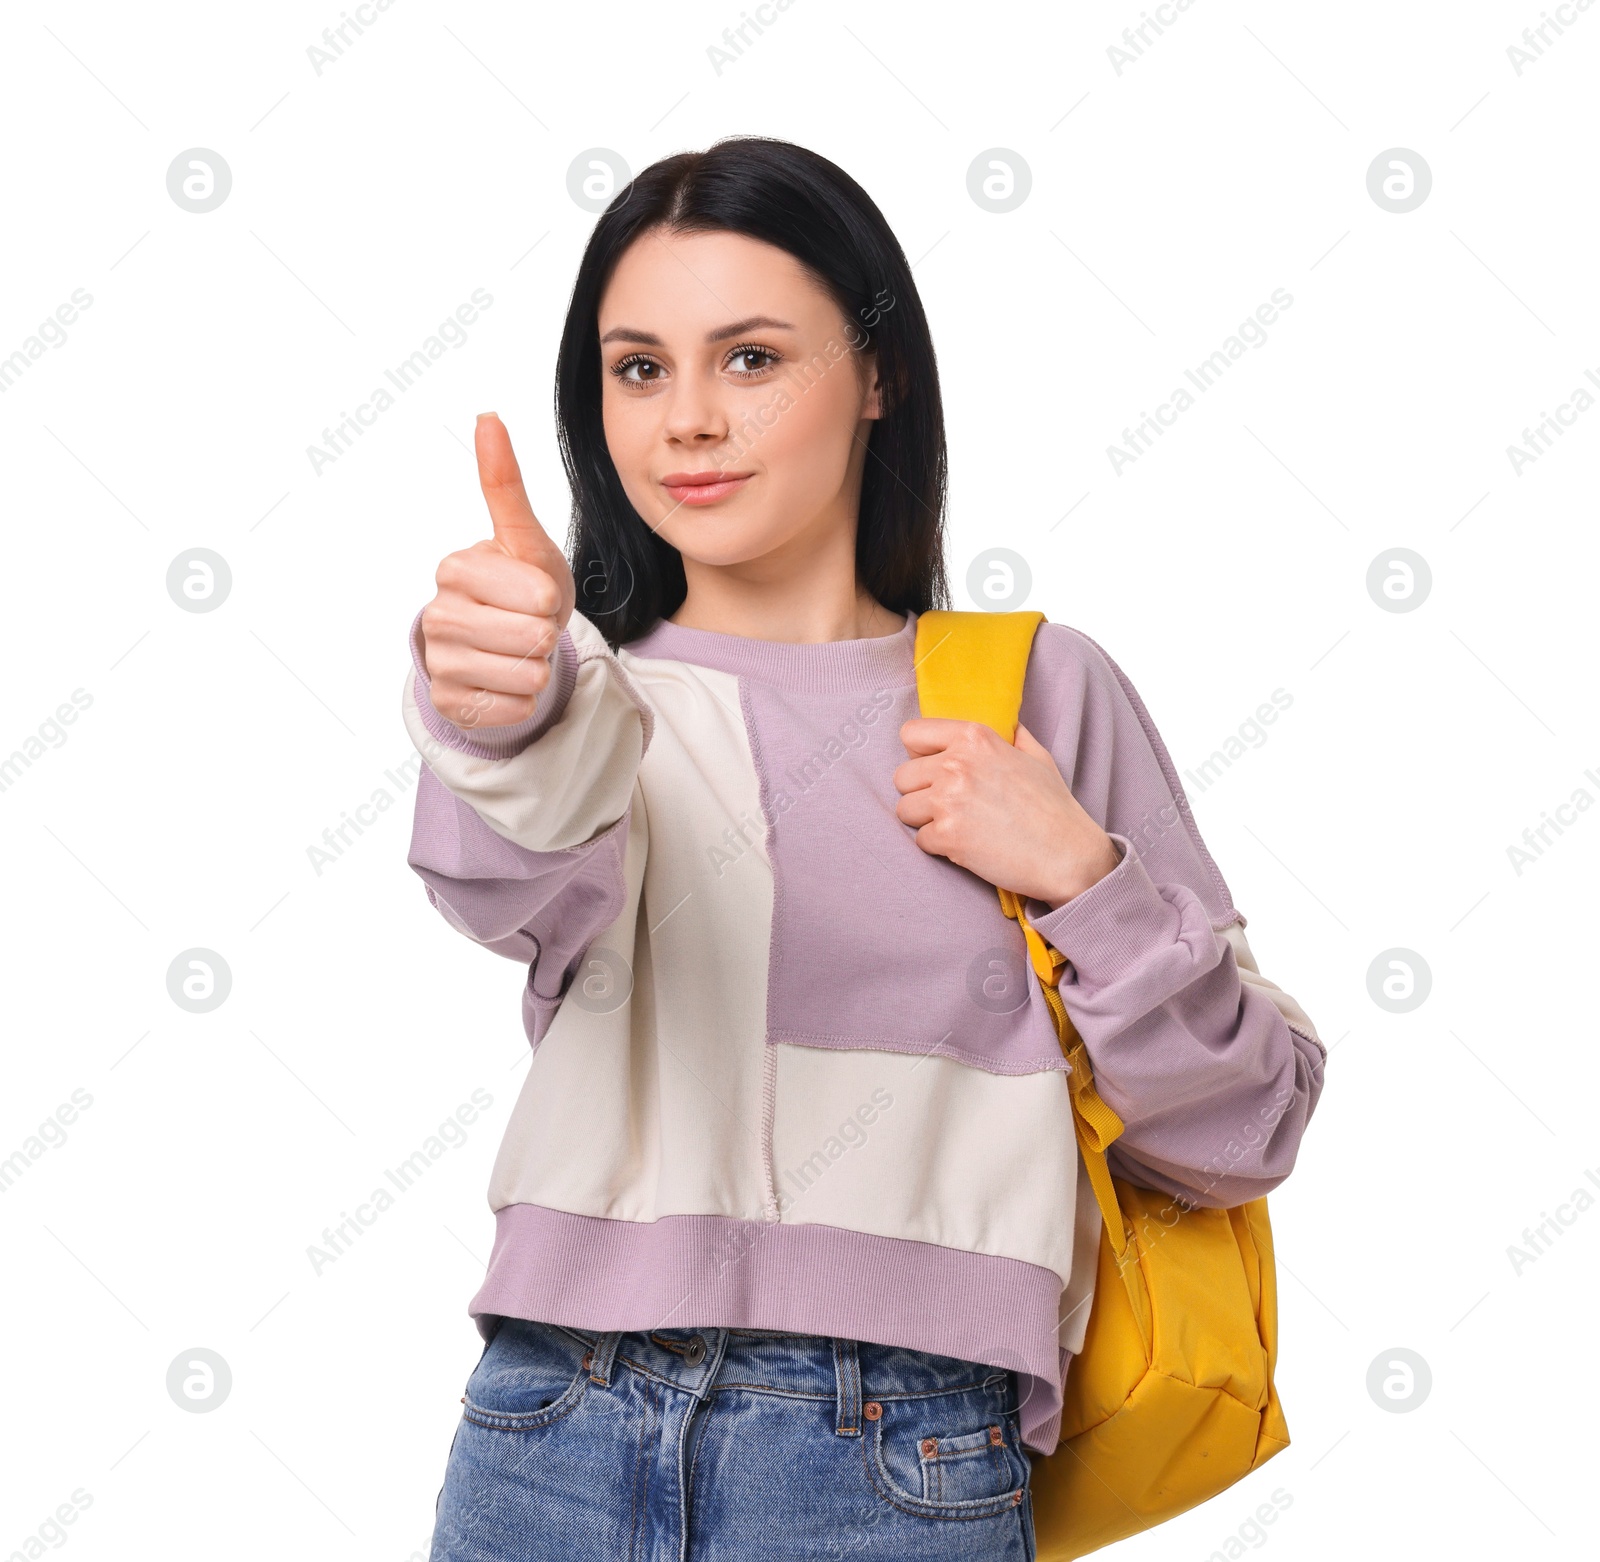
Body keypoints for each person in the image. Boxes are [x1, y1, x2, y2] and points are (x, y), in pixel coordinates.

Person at [402, 136, 1326, 1562]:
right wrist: (503, 715)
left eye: (751, 358)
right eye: (638, 367)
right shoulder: (589, 707)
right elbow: (507, 868)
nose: (688, 420)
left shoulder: (1036, 694)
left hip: (895, 1454)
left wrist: (1086, 880)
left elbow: (1245, 1128)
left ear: (880, 377)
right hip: (550, 1427)